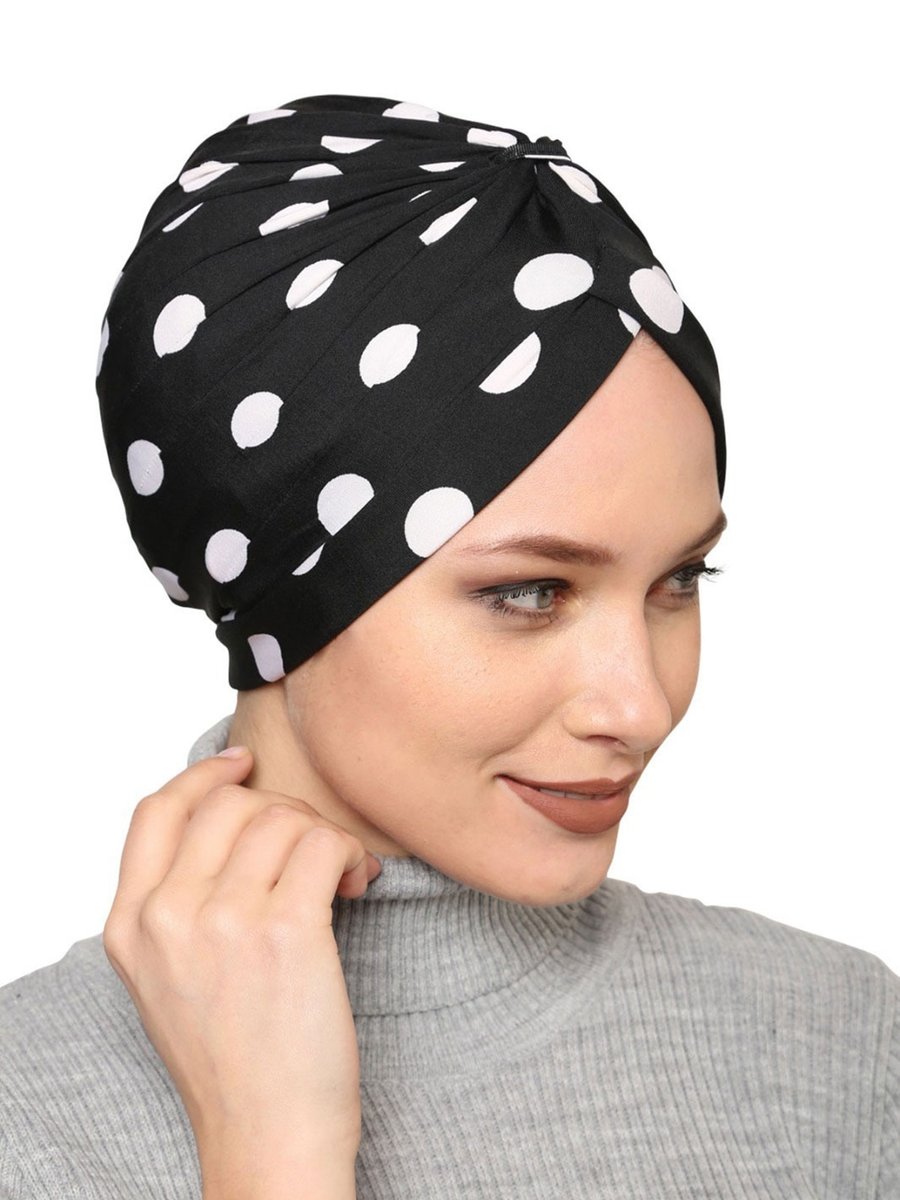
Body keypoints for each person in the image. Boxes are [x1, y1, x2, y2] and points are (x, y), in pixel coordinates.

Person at [0, 93, 896, 1199]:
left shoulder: (834, 1045)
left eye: (679, 580)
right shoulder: (25, 1122)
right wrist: (270, 1156)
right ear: (283, 596)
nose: (643, 707)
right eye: (530, 592)